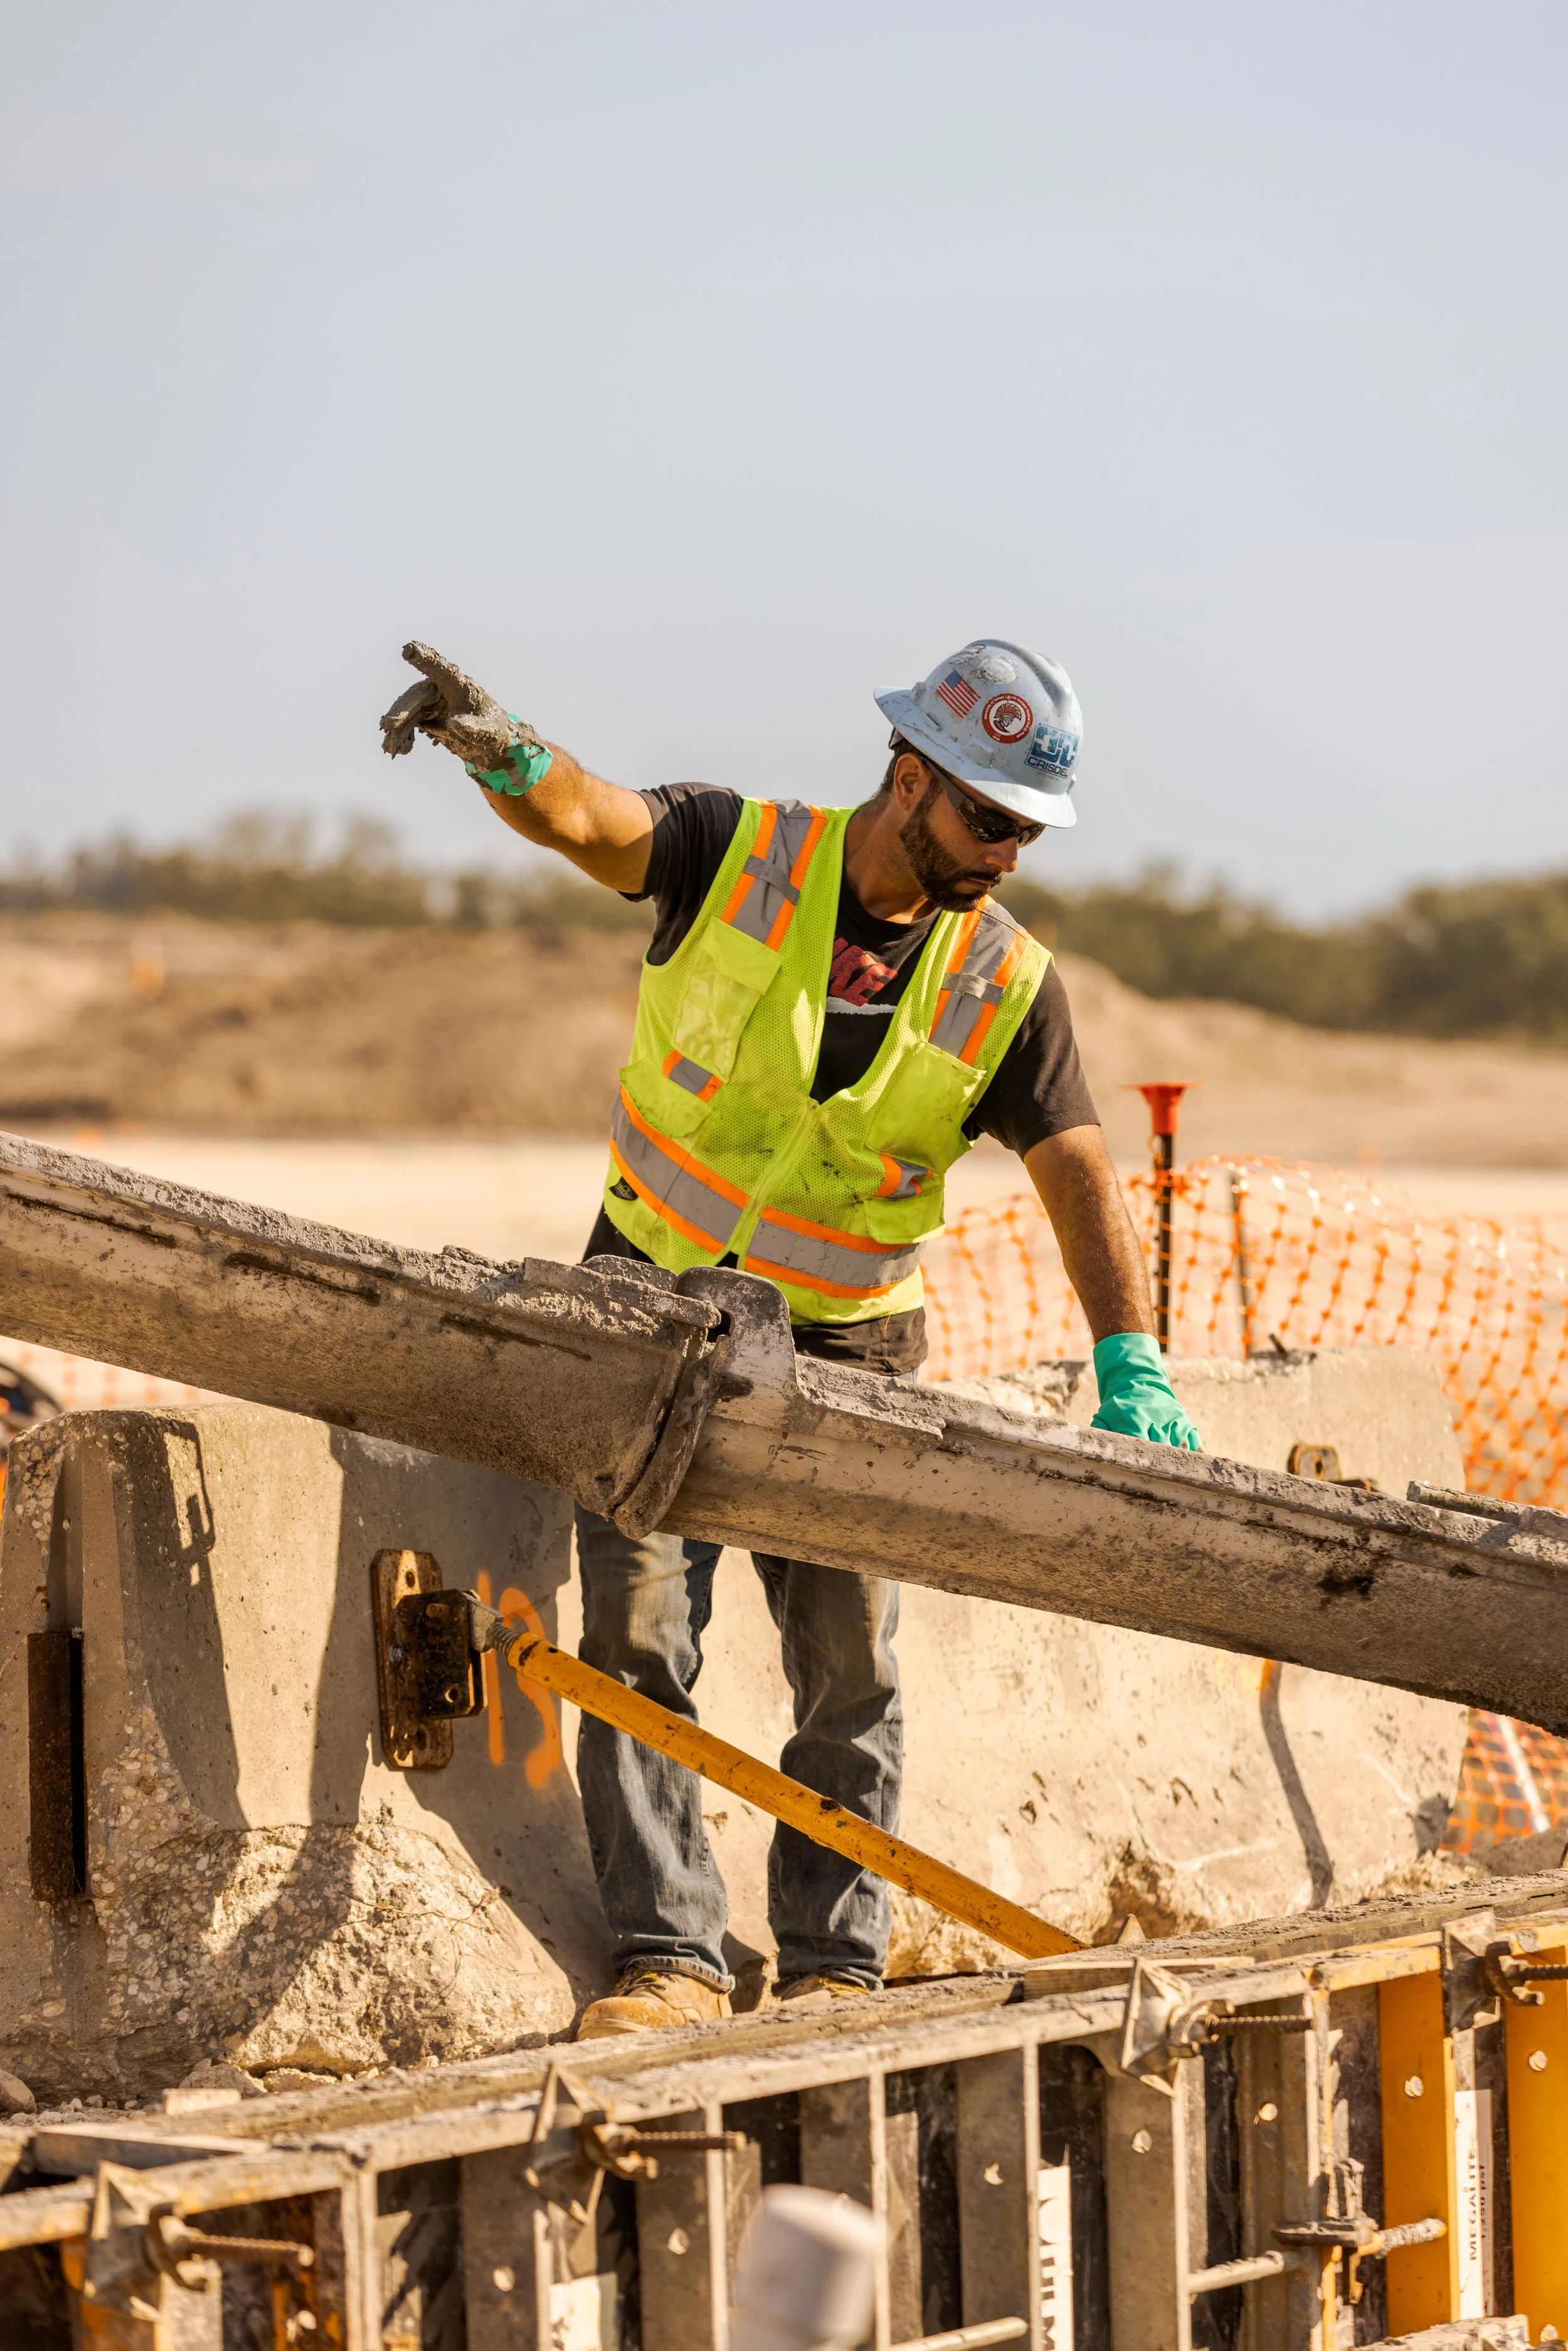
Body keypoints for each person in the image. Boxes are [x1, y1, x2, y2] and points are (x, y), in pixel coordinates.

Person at [380, 636, 1200, 2038]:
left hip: (850, 1356)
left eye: (1026, 830)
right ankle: (670, 1959)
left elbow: (1075, 1167)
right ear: (908, 781)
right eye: (990, 819)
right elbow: (587, 815)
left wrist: (1131, 1353)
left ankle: (834, 1958)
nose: (1007, 855)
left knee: (851, 1667)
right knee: (640, 1643)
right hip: (645, 1324)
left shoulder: (1007, 982)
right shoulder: (733, 852)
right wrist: (502, 746)